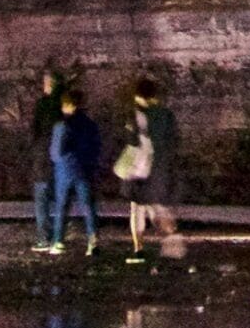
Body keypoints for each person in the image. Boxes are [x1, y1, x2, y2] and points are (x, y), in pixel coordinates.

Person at [119, 77, 185, 260]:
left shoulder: (137, 116)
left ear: (140, 96)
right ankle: (172, 246)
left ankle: (138, 248)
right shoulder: (166, 115)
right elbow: (174, 141)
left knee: (137, 209)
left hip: (140, 169)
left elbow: (132, 142)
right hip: (160, 168)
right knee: (158, 207)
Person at [48, 78, 104, 256]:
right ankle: (93, 242)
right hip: (85, 169)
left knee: (61, 206)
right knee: (88, 206)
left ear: (68, 105)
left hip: (65, 170)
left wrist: (58, 160)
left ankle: (58, 241)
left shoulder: (62, 125)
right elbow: (97, 146)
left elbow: (56, 152)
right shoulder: (90, 124)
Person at [27, 68, 72, 250]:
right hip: (64, 157)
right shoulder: (67, 104)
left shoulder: (43, 104)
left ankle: (44, 238)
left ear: (49, 84)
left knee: (41, 196)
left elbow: (35, 131)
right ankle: (59, 237)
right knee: (61, 196)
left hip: (43, 157)